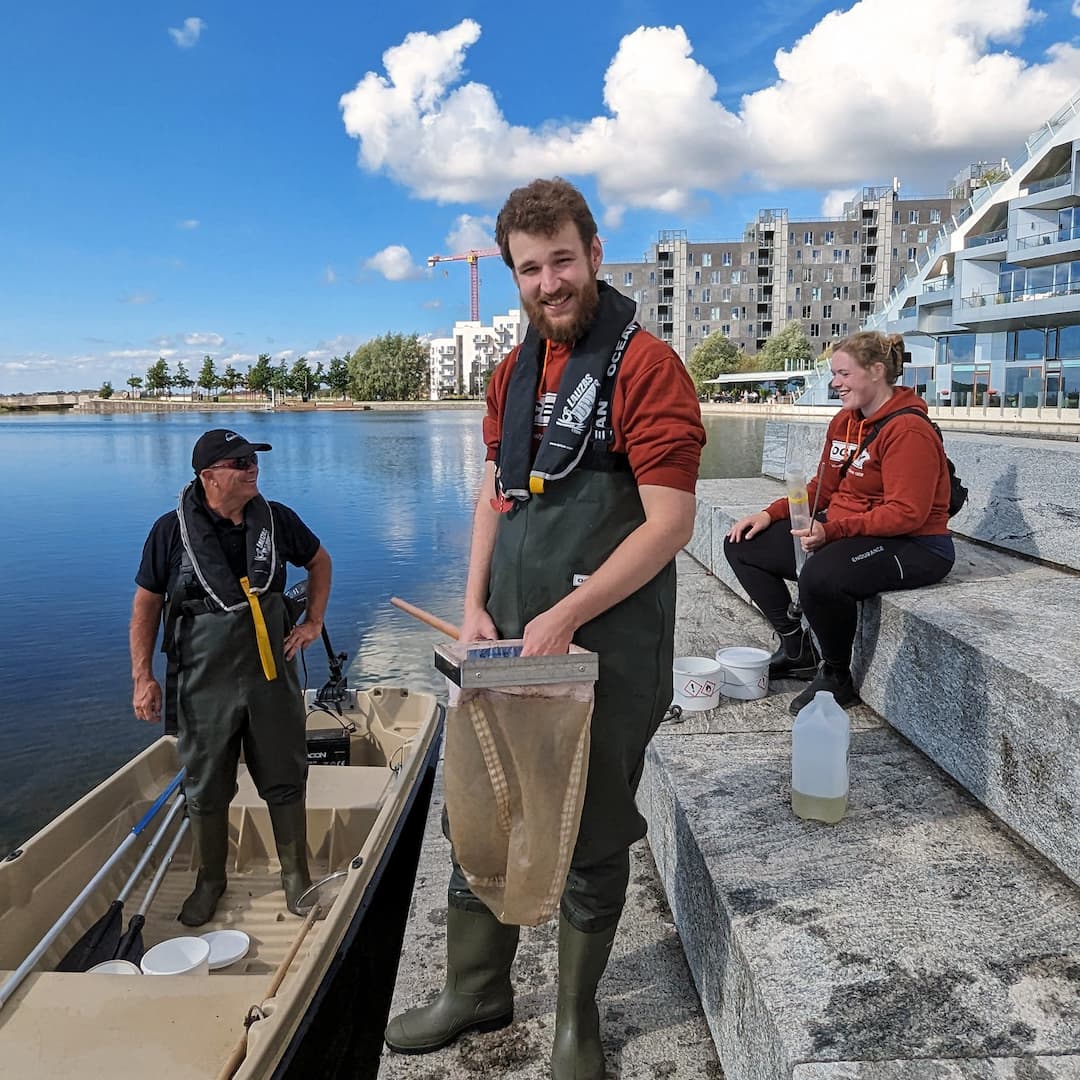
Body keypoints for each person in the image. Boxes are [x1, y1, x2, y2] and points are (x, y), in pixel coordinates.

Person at [384, 178, 705, 1078]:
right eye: (530, 268)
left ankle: (574, 1020)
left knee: (593, 828)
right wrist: (475, 598)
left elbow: (670, 524)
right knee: (481, 810)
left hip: (603, 645)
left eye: (561, 260)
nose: (547, 282)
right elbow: (495, 492)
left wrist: (566, 613)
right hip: (508, 640)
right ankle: (478, 990)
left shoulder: (646, 367)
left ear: (595, 256)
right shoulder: (510, 370)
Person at [130, 428, 332, 925]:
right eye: (239, 462)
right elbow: (146, 604)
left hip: (271, 672)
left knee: (286, 775)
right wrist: (143, 677)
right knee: (206, 784)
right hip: (203, 679)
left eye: (253, 459)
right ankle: (210, 881)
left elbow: (320, 561)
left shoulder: (277, 520)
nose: (251, 468)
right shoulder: (169, 532)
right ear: (208, 477)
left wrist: (313, 622)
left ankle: (295, 877)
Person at [724, 331, 954, 715]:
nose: (835, 383)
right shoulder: (845, 422)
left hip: (915, 544)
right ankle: (797, 649)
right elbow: (821, 489)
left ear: (876, 371)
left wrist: (831, 531)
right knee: (743, 544)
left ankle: (835, 674)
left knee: (821, 576)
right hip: (851, 530)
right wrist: (770, 513)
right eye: (834, 374)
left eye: (844, 374)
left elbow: (906, 513)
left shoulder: (909, 430)